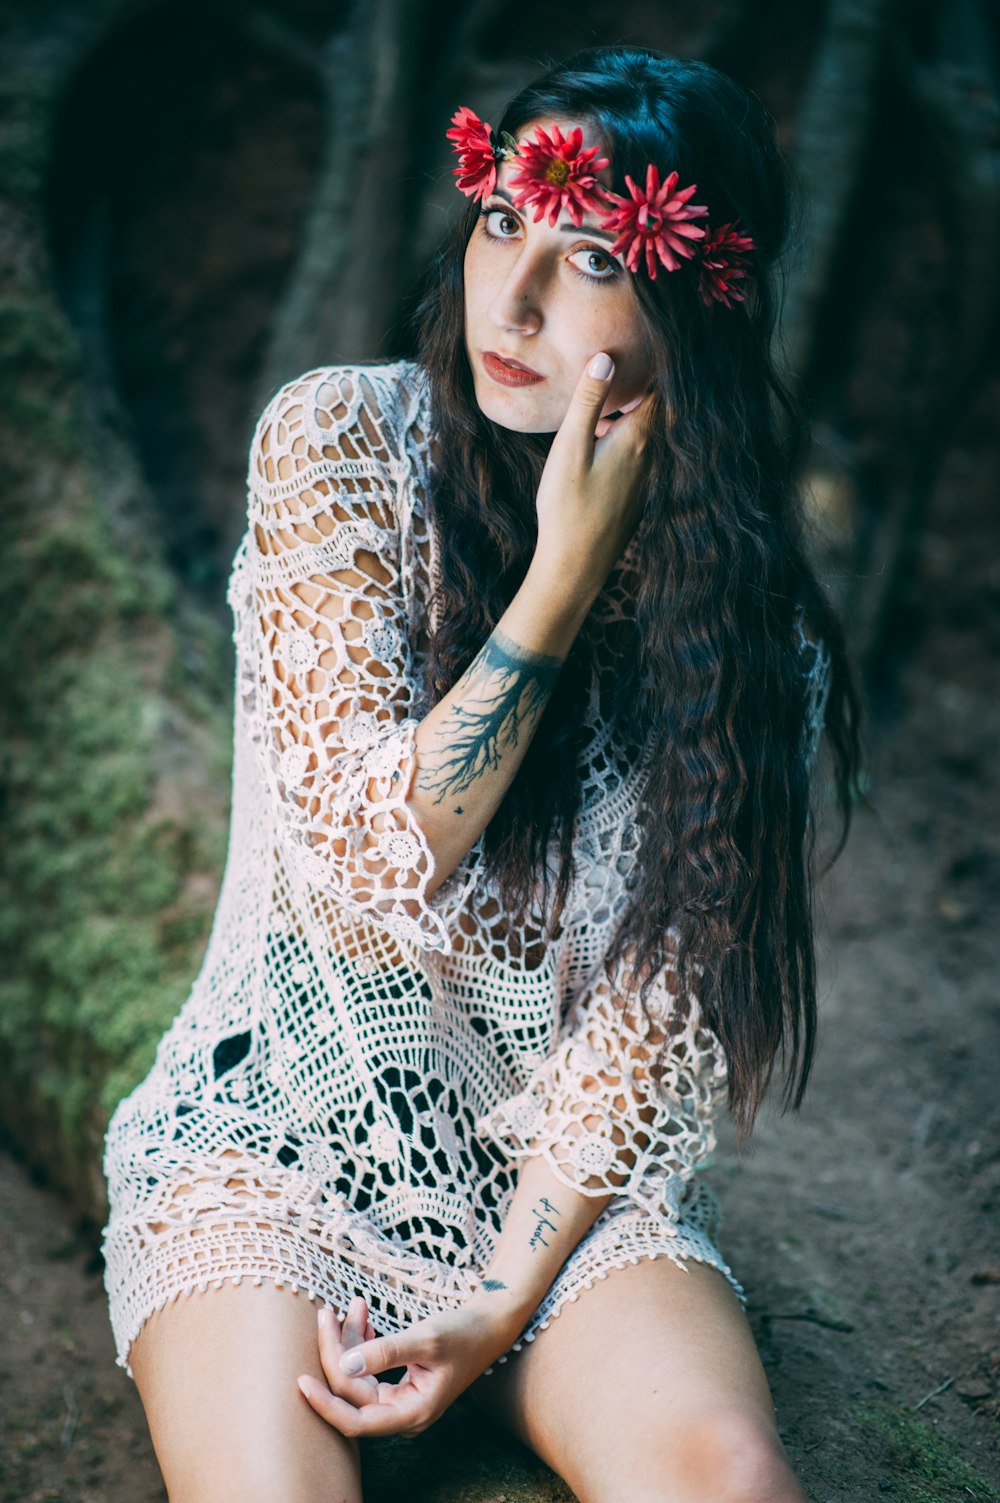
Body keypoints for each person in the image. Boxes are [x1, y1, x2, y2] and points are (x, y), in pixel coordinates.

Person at [101, 43, 862, 1503]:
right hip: (276, 1153)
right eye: (501, 222)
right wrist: (560, 582)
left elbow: (655, 1012)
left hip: (560, 1205)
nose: (509, 300)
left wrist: (501, 1303)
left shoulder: (751, 625)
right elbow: (382, 854)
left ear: (706, 298)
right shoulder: (341, 442)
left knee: (729, 1480)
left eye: (584, 255)